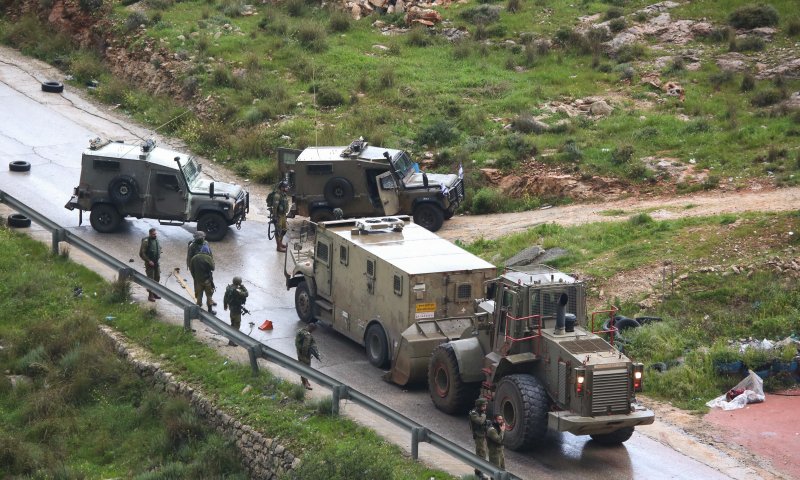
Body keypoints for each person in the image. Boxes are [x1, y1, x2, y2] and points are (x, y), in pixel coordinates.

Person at [189, 244, 216, 314]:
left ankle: (198, 309)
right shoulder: (208, 258)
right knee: (209, 295)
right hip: (207, 280)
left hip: (198, 280)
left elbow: (191, 269)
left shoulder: (194, 258)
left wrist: (195, 277)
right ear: (207, 251)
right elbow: (213, 268)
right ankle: (210, 310)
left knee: (199, 295)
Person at [223, 276, 249, 346]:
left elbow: (225, 297)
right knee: (236, 325)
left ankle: (230, 339)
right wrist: (243, 287)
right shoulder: (238, 290)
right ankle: (232, 341)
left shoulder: (229, 287)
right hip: (236, 310)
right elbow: (246, 294)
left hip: (231, 308)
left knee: (232, 323)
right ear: (239, 282)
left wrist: (225, 305)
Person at [468, 397, 490, 480]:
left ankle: (479, 472)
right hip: (478, 436)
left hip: (482, 434)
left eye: (485, 406)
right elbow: (480, 421)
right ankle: (479, 473)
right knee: (481, 454)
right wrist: (484, 415)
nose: (485, 408)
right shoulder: (474, 413)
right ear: (479, 406)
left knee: (482, 454)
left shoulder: (480, 412)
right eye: (483, 406)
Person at [295, 322, 320, 390]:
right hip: (304, 354)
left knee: (302, 367)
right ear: (312, 328)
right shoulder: (307, 335)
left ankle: (306, 381)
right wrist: (305, 356)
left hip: (299, 352)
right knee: (306, 368)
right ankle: (305, 384)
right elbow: (305, 346)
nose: (313, 332)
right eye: (313, 330)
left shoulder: (301, 330)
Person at [139, 227, 162, 302]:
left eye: (155, 234)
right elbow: (142, 253)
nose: (155, 235)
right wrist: (148, 261)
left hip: (156, 262)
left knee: (157, 277)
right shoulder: (146, 241)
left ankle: (155, 293)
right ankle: (150, 295)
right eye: (153, 234)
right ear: (150, 234)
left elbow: (159, 248)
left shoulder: (156, 240)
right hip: (150, 263)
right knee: (150, 279)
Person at [271, 181, 289, 252]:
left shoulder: (284, 195)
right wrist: (274, 217)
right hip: (278, 216)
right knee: (278, 231)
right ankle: (278, 247)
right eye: (286, 187)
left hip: (283, 215)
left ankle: (280, 243)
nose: (287, 188)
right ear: (282, 188)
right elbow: (275, 207)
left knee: (284, 230)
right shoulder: (277, 196)